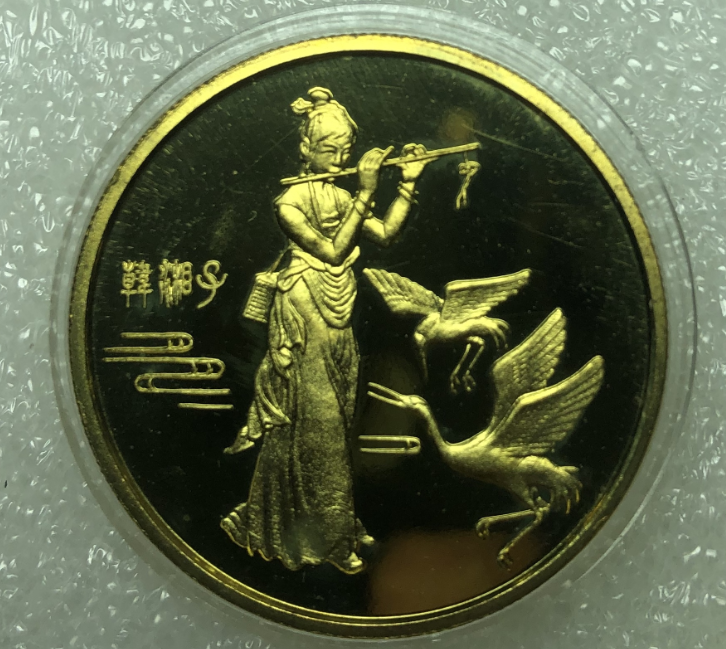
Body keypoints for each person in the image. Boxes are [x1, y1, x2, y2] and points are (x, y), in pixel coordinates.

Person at [221, 87, 429, 574]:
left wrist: (407, 184)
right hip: (303, 311)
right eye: (328, 149)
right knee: (322, 425)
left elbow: (385, 234)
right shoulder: (289, 202)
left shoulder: (340, 194)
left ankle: (311, 521)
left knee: (335, 419)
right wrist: (366, 192)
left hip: (339, 315)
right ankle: (332, 542)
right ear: (305, 149)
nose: (339, 158)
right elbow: (332, 253)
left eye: (345, 150)